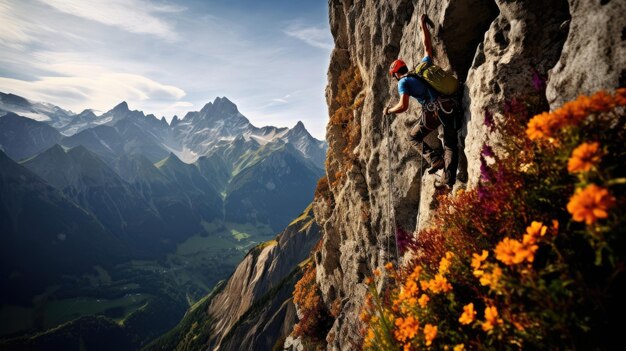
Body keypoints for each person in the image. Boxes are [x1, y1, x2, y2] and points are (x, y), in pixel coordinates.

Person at [384, 14, 461, 191]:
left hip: (433, 113)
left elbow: (403, 106)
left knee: (413, 136)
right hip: (450, 106)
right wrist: (422, 25)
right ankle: (447, 180)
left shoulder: (403, 82)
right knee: (450, 145)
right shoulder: (422, 67)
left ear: (396, 74)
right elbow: (427, 47)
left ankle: (435, 159)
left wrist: (389, 110)